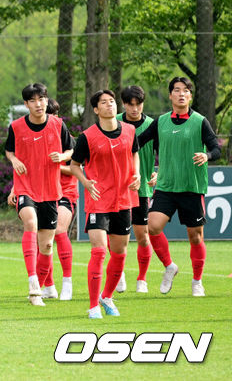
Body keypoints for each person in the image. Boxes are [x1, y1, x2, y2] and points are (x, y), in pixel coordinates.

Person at [137, 77, 221, 296]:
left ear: (190, 96)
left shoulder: (200, 121)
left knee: (195, 236)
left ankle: (197, 281)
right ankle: (169, 266)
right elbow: (137, 143)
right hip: (165, 186)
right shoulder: (161, 122)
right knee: (152, 227)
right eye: (177, 90)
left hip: (192, 187)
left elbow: (216, 148)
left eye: (185, 91)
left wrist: (207, 154)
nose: (181, 94)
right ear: (170, 95)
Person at [68, 90, 140, 319]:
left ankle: (107, 296)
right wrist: (86, 182)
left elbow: (135, 153)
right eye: (103, 103)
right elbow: (74, 165)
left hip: (124, 199)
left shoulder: (130, 131)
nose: (109, 105)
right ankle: (92, 306)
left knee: (119, 253)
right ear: (96, 110)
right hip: (98, 200)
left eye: (111, 102)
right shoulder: (87, 137)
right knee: (99, 252)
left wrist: (137, 173)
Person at [5, 83, 74, 306]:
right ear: (26, 104)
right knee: (31, 223)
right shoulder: (16, 126)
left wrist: (63, 156)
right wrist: (14, 160)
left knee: (46, 246)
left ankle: (41, 289)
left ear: (46, 100)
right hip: (26, 187)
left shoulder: (58, 124)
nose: (38, 104)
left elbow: (73, 150)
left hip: (50, 191)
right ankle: (33, 283)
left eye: (42, 99)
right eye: (33, 100)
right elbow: (9, 150)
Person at [118, 86, 157, 293]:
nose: (134, 109)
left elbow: (164, 152)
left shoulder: (152, 124)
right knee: (116, 236)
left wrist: (157, 173)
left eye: (138, 104)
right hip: (116, 188)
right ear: (124, 104)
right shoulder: (114, 121)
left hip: (141, 189)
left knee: (142, 235)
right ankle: (119, 273)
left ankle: (142, 279)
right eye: (130, 104)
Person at [46, 99, 75, 301]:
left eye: (54, 114)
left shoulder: (68, 139)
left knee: (59, 230)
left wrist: (57, 165)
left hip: (65, 191)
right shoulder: (34, 137)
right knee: (43, 238)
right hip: (42, 192)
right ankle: (48, 285)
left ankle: (67, 282)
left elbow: (76, 168)